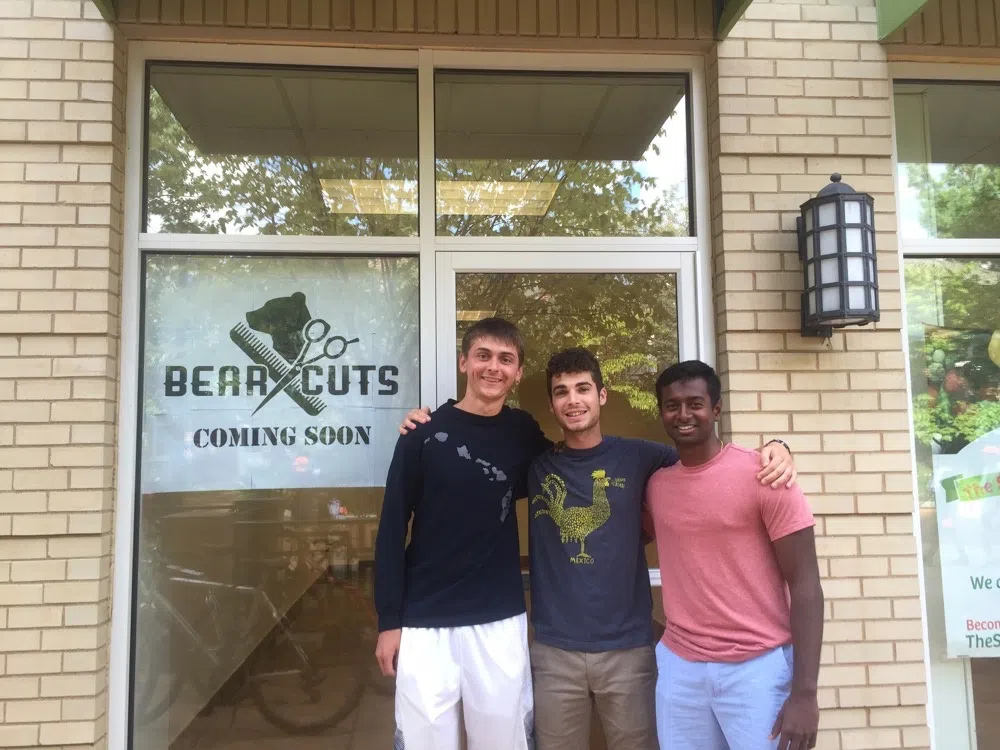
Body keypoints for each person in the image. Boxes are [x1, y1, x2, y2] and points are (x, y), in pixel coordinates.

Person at [384, 326, 797, 750]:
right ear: (551, 404)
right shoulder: (536, 460)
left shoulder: (642, 457)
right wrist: (424, 426)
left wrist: (776, 448)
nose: (573, 400)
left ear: (602, 395)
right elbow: (462, 469)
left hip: (629, 648)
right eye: (562, 392)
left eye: (583, 389)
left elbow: (705, 462)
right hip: (552, 650)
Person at [373, 318, 547, 750]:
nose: (494, 367)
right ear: (463, 361)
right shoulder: (422, 434)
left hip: (499, 620)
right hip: (425, 621)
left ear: (518, 371)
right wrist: (389, 621)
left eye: (506, 359)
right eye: (483, 355)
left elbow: (571, 473)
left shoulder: (523, 432)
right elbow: (392, 529)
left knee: (503, 742)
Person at [646, 360, 824, 750]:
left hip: (755, 669)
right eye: (672, 405)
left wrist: (805, 694)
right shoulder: (657, 486)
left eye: (695, 403)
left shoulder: (765, 476)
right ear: (661, 412)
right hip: (681, 670)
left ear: (717, 409)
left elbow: (807, 585)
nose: (683, 414)